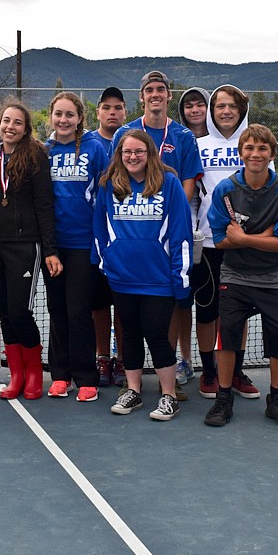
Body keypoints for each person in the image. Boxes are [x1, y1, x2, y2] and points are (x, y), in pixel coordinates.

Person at [204, 124, 278, 428]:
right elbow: (219, 239)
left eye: (262, 149)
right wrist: (265, 235)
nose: (255, 154)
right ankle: (223, 398)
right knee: (228, 335)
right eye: (249, 148)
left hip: (276, 278)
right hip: (234, 275)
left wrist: (246, 238)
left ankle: (275, 399)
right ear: (241, 152)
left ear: (272, 154)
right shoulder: (225, 190)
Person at [112, 71, 202, 400]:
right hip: (135, 231)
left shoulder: (182, 135)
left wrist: (173, 205)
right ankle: (131, 377)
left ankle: (177, 369)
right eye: (149, 90)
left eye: (160, 90)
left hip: (172, 230)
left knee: (174, 303)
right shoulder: (125, 133)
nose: (155, 95)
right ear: (141, 96)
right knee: (133, 317)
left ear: (167, 95)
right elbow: (117, 178)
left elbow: (189, 179)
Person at [94, 130, 192, 420]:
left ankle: (168, 395)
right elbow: (100, 229)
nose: (133, 157)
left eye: (139, 151)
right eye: (127, 152)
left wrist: (181, 278)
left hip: (159, 280)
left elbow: (181, 234)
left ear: (150, 154)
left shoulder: (169, 184)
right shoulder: (109, 185)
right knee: (131, 336)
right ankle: (133, 391)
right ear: (119, 155)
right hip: (122, 277)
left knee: (158, 336)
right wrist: (106, 263)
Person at [0, 101, 61, 400]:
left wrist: (50, 249)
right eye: (5, 121)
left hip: (25, 246)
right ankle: (16, 376)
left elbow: (44, 204)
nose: (9, 127)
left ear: (26, 129)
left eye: (17, 122)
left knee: (20, 311)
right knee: (4, 312)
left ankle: (34, 373)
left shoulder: (36, 156)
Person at [193, 84, 260, 401]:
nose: (226, 110)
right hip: (207, 245)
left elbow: (266, 192)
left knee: (239, 313)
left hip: (243, 245)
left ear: (241, 109)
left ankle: (233, 371)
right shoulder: (197, 145)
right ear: (211, 110)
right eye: (219, 105)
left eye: (232, 105)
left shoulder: (253, 144)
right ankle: (208, 371)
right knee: (206, 312)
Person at [44, 92, 108, 401]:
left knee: (79, 311)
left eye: (70, 114)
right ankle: (60, 375)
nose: (64, 120)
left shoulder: (95, 149)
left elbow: (107, 195)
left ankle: (86, 376)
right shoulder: (44, 151)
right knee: (56, 310)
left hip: (84, 244)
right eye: (58, 114)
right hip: (54, 246)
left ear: (80, 117)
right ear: (51, 116)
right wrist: (48, 248)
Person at [86, 87, 127, 387]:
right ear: (98, 112)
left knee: (123, 305)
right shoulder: (87, 143)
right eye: (106, 108)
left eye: (118, 107)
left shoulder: (133, 143)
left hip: (126, 241)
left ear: (125, 112)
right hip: (94, 240)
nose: (112, 112)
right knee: (99, 305)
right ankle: (102, 358)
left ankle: (123, 359)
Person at [175, 87, 211, 387]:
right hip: (180, 235)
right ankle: (183, 360)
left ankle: (219, 366)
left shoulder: (223, 143)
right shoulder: (177, 139)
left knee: (213, 306)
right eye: (189, 105)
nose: (195, 109)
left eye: (201, 104)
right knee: (181, 303)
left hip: (212, 239)